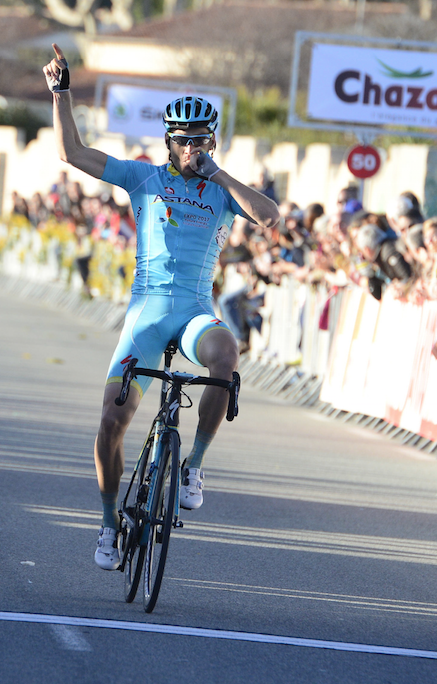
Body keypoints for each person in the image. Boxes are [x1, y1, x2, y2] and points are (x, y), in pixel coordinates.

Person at [43, 45, 280, 571]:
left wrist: (217, 174)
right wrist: (62, 95)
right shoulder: (144, 178)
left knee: (226, 352)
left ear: (213, 142)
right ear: (168, 142)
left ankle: (192, 468)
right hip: (147, 314)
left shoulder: (223, 191)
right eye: (184, 140)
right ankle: (109, 524)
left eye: (202, 140)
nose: (193, 148)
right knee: (110, 425)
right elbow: (73, 153)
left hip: (196, 310)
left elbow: (269, 216)